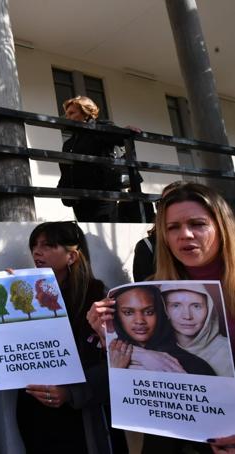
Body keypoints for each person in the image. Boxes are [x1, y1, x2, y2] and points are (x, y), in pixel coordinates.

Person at [88, 182, 235, 453]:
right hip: (171, 439)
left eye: (198, 223)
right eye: (173, 227)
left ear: (222, 225)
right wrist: (108, 335)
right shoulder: (152, 288)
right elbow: (140, 389)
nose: (185, 235)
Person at [15, 221, 127, 454]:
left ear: (72, 256)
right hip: (36, 411)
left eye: (47, 246)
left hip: (85, 416)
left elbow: (115, 363)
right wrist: (11, 292)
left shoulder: (98, 298)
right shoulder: (30, 293)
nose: (37, 251)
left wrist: (70, 392)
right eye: (34, 245)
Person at [108, 285, 215, 375]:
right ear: (117, 316)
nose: (140, 321)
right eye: (128, 313)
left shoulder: (193, 365)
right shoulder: (111, 357)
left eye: (149, 312)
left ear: (160, 313)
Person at [57, 96, 127, 222]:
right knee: (89, 237)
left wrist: (127, 131)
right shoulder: (68, 143)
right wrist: (64, 191)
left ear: (86, 113)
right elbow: (66, 171)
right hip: (80, 200)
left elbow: (121, 139)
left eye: (72, 113)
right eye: (66, 114)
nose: (68, 117)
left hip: (102, 197)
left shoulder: (99, 129)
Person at [160, 283, 233, 377]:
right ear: (164, 310)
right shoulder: (155, 349)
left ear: (209, 309)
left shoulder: (227, 350)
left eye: (196, 306)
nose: (187, 316)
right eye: (176, 305)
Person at [132, 181, 188, 282]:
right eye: (163, 203)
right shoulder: (148, 246)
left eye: (199, 224)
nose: (187, 235)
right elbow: (145, 290)